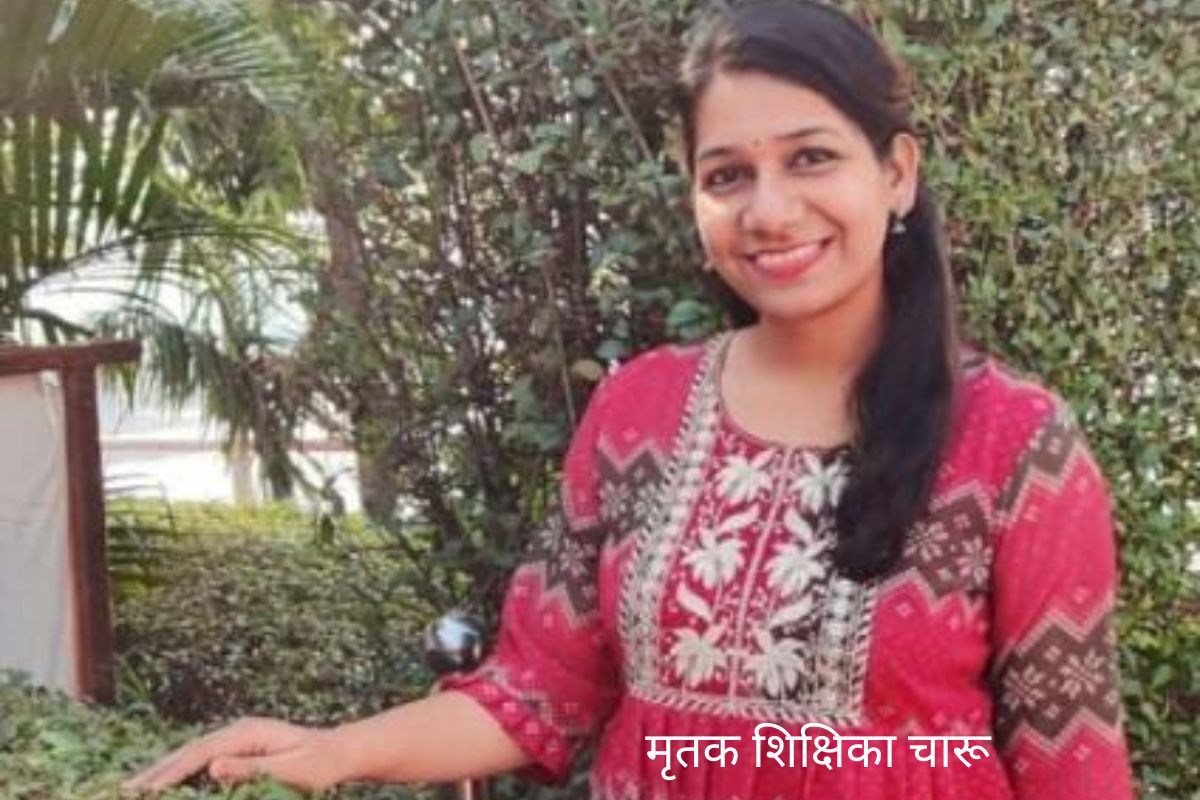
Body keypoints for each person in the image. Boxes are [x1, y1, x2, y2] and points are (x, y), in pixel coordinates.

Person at [123, 2, 1136, 798]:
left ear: (897, 173)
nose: (769, 209)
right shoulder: (638, 412)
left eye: (811, 157)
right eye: (726, 174)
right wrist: (333, 749)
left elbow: (1073, 763)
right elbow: (537, 692)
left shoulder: (1014, 443)